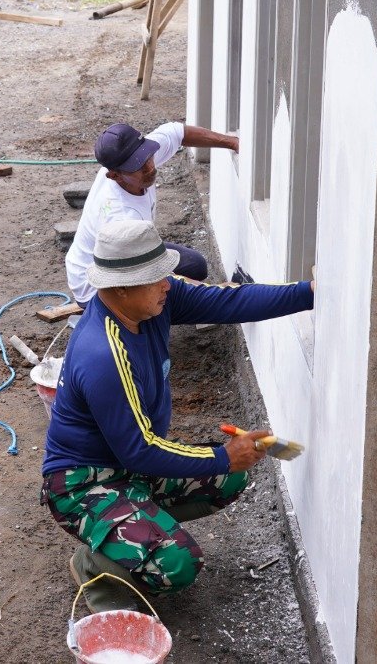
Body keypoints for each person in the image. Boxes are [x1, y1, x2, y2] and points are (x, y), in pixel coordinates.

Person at [41, 218, 314, 614]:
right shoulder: (103, 355)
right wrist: (222, 454)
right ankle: (95, 566)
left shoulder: (154, 303)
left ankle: (133, 525)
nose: (168, 283)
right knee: (180, 564)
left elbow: (230, 302)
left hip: (129, 468)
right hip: (83, 485)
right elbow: (140, 450)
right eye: (156, 278)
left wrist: (311, 293)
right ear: (120, 286)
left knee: (230, 478)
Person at [64, 121, 240, 306]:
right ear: (114, 176)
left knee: (194, 265)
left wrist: (233, 142)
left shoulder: (135, 160)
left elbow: (176, 132)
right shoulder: (122, 216)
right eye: (137, 166)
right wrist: (217, 294)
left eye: (147, 157)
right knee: (159, 297)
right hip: (97, 285)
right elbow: (146, 275)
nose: (150, 167)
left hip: (125, 255)